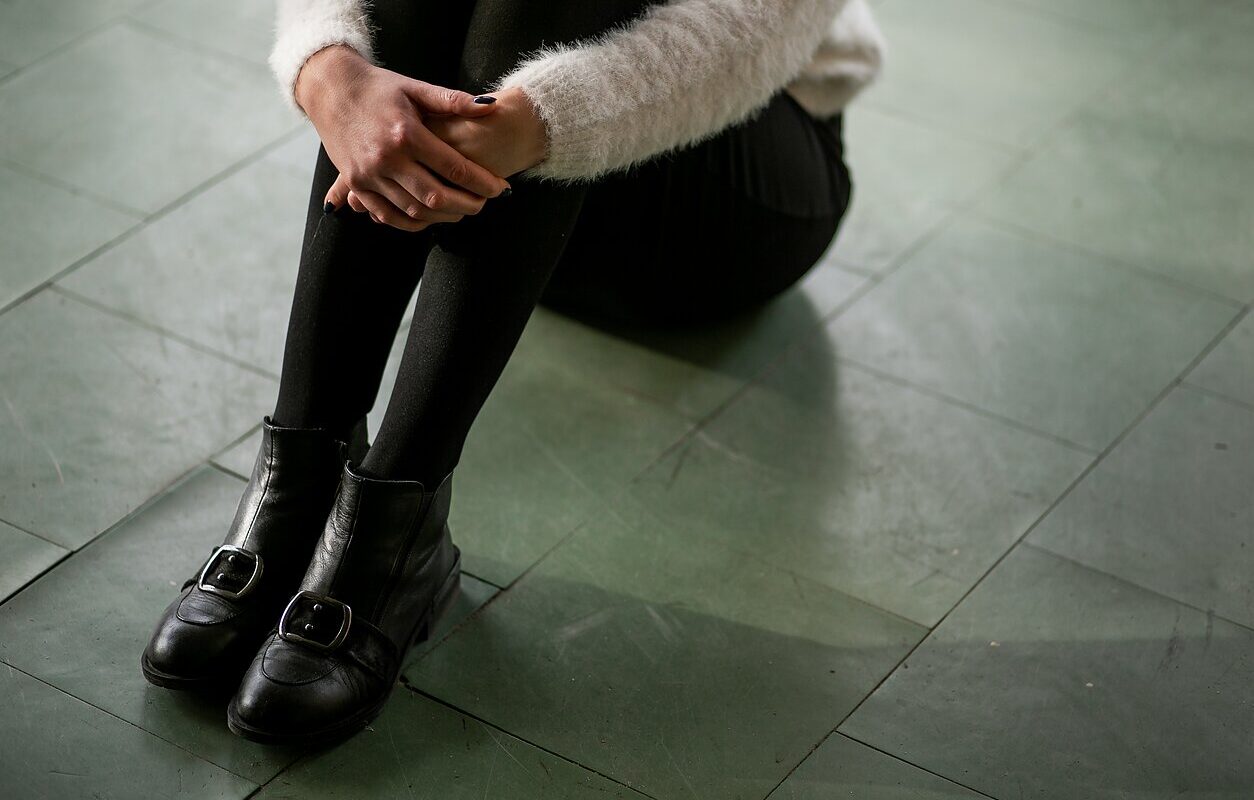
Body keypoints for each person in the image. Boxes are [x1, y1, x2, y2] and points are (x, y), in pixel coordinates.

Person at [141, 0, 885, 746]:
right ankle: (301, 475)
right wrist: (331, 75)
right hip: (505, 192)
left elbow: (752, 31)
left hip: (717, 173)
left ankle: (399, 523)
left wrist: (541, 119)